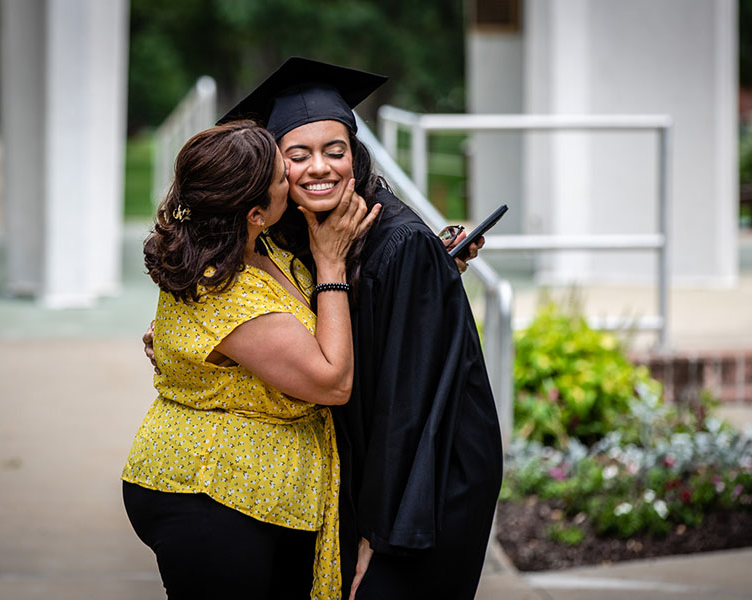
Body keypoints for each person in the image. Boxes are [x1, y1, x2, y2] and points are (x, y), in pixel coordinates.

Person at [218, 57, 504, 599]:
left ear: (357, 155)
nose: (319, 168)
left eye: (335, 151)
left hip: (427, 478)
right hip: (374, 466)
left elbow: (409, 405)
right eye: (297, 156)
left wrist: (375, 534)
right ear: (275, 171)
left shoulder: (398, 243)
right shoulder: (302, 233)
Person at [122, 119, 379, 599]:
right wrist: (331, 264)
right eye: (284, 174)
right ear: (257, 212)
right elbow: (332, 382)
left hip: (248, 493)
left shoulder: (257, 250)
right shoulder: (230, 291)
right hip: (210, 495)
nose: (296, 177)